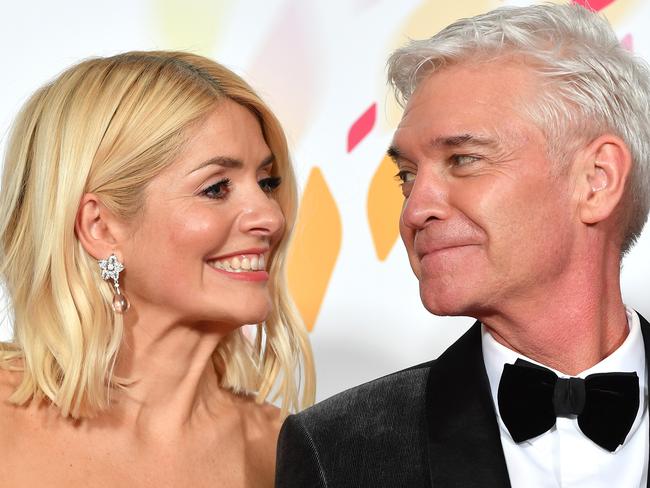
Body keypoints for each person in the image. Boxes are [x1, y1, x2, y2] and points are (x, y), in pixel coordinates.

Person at [276, 3, 650, 487]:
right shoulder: (338, 448)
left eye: (463, 159)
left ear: (596, 181)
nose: (414, 211)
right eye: (407, 176)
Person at [0, 50, 314, 487]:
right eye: (217, 188)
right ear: (101, 227)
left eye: (267, 184)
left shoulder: (289, 453)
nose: (271, 217)